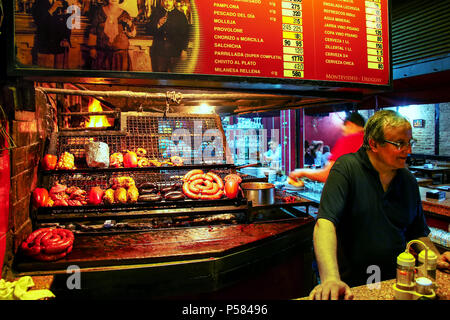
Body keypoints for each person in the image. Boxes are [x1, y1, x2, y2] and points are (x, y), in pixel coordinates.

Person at [309, 110, 450, 300]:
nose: (408, 151)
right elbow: (325, 223)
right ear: (374, 144)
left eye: (410, 143)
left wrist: (434, 257)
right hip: (352, 285)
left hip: (396, 283)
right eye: (399, 144)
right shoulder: (347, 168)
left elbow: (417, 233)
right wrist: (330, 279)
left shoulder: (408, 180)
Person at [290, 112, 365, 183]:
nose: (344, 134)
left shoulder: (349, 140)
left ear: (349, 124)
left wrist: (302, 172)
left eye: (343, 131)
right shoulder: (371, 139)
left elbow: (327, 175)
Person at [88, 0, 136, 71]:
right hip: (102, 54)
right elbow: (93, 31)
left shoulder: (125, 14)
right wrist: (92, 48)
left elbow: (132, 33)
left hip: (120, 55)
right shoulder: (99, 12)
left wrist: (130, 25)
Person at [146, 0, 189, 72]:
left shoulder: (180, 15)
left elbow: (185, 34)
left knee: (175, 77)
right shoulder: (156, 13)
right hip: (160, 52)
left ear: (174, 1)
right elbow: (148, 30)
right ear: (162, 1)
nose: (168, 3)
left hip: (175, 52)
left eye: (170, 0)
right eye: (166, 0)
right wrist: (158, 24)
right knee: (160, 77)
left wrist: (184, 50)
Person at [32, 0, 72, 69]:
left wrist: (66, 38)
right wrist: (51, 9)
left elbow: (68, 23)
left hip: (60, 45)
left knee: (61, 75)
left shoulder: (64, 3)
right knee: (44, 75)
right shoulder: (39, 2)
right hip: (45, 45)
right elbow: (39, 21)